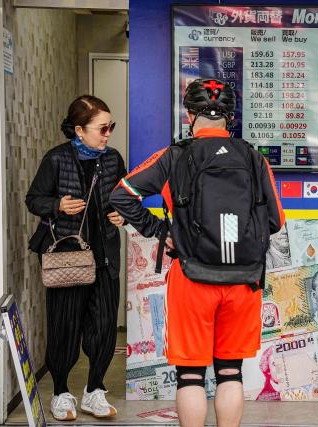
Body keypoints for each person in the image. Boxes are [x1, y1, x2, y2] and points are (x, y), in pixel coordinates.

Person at [110, 78, 284, 427]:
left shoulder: (174, 156)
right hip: (244, 280)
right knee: (230, 373)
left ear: (189, 114)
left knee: (190, 375)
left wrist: (161, 231)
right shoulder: (253, 157)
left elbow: (121, 195)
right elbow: (276, 221)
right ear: (230, 117)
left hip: (192, 276)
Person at [25, 95, 126, 421]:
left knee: (104, 327)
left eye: (110, 127)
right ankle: (60, 392)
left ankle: (94, 391)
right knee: (64, 327)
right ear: (79, 130)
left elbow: (123, 198)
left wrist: (121, 216)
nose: (108, 133)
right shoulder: (56, 159)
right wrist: (57, 206)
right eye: (102, 128)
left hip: (104, 257)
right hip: (67, 258)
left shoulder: (112, 159)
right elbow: (34, 198)